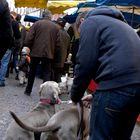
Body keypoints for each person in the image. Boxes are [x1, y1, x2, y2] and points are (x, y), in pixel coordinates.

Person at [70, 6, 140, 140]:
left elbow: (85, 62)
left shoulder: (90, 22)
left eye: (80, 33)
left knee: (100, 136)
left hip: (114, 86)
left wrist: (75, 96)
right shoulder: (124, 27)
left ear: (82, 21)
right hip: (136, 90)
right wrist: (96, 95)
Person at [24, 9, 60, 96]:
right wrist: (54, 52)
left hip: (36, 52)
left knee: (32, 71)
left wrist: (29, 46)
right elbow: (58, 44)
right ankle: (45, 94)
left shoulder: (37, 24)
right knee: (46, 73)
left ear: (43, 16)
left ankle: (28, 90)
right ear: (50, 16)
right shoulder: (56, 27)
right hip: (49, 53)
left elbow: (29, 38)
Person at [53, 18, 70, 82]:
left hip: (54, 57)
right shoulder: (67, 35)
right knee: (57, 75)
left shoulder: (56, 32)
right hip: (62, 59)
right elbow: (68, 49)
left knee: (53, 76)